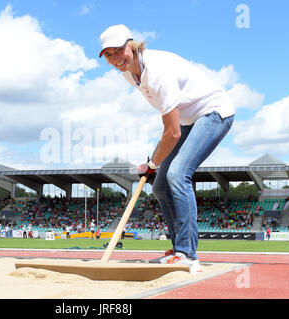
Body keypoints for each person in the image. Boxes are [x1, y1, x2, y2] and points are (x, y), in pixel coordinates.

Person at [99, 24, 235, 273]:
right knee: (160, 185)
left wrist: (153, 162)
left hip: (214, 113)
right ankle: (177, 250)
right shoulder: (129, 74)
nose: (116, 58)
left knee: (177, 174)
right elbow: (172, 126)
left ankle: (187, 254)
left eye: (119, 50)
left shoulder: (157, 72)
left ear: (132, 45)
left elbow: (172, 133)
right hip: (189, 121)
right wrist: (154, 163)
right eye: (109, 55)